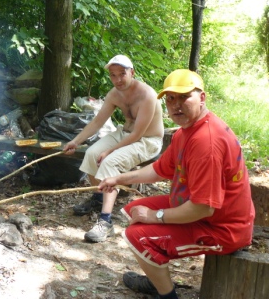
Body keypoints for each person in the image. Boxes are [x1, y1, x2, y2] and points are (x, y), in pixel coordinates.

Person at [98, 69, 255, 299]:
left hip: (224, 229)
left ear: (202, 98)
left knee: (137, 235)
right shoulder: (186, 132)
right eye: (171, 98)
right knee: (132, 211)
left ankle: (167, 295)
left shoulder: (206, 143)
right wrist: (120, 178)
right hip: (204, 211)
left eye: (184, 97)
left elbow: (203, 207)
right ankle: (158, 277)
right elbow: (160, 169)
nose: (176, 105)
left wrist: (155, 216)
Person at [63, 55, 164, 242]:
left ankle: (106, 221)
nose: (118, 80)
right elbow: (97, 121)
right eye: (113, 75)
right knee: (92, 153)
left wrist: (110, 151)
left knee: (110, 162)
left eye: (122, 74)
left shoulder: (147, 95)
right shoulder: (114, 94)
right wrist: (76, 141)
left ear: (132, 73)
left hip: (147, 140)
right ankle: (99, 196)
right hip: (124, 133)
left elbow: (137, 134)